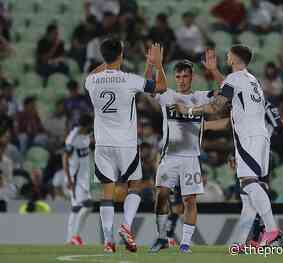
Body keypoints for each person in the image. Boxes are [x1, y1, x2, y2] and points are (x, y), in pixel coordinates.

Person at [174, 45, 281, 249]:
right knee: (247, 194)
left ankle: (272, 231)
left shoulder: (236, 80)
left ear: (235, 58)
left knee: (249, 183)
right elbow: (228, 87)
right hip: (261, 137)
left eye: (229, 54)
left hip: (248, 137)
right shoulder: (251, 80)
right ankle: (240, 242)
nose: (226, 56)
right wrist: (213, 71)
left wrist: (188, 111)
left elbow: (216, 105)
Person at [84, 37, 167, 253]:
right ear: (122, 55)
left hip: (102, 144)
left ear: (103, 57)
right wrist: (156, 64)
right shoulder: (129, 79)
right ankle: (126, 226)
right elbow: (160, 87)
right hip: (126, 144)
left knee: (107, 193)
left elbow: (96, 71)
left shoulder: (91, 81)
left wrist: (110, 58)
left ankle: (108, 241)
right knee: (135, 185)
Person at [148, 60, 215, 253]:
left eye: (185, 76)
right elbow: (148, 86)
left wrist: (213, 71)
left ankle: (185, 243)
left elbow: (223, 96)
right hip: (169, 157)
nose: (182, 80)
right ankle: (161, 238)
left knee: (189, 201)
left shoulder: (200, 97)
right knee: (161, 195)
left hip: (191, 158)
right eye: (178, 77)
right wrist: (155, 65)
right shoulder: (167, 95)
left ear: (192, 77)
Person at [63, 114, 93, 246]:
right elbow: (64, 158)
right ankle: (73, 237)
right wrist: (69, 179)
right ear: (83, 126)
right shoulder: (72, 139)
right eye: (88, 127)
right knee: (84, 206)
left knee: (79, 207)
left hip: (84, 178)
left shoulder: (87, 133)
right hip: (75, 178)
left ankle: (72, 239)